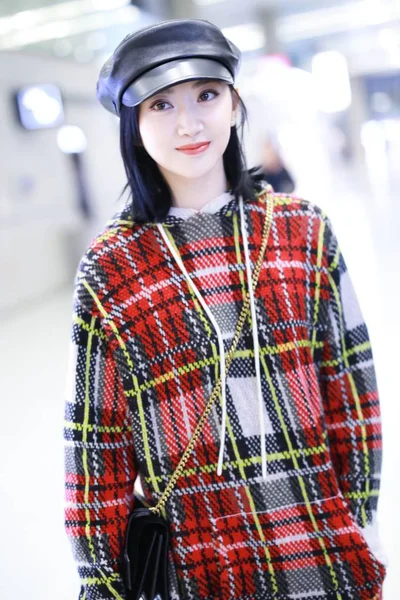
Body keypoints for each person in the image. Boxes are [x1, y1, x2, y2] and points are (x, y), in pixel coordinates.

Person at [63, 18, 387, 600]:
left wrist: (357, 514)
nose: (188, 123)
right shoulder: (112, 268)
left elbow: (350, 380)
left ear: (235, 105)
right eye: (161, 105)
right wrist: (101, 579)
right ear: (133, 126)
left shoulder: (301, 230)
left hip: (317, 534)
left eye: (206, 96)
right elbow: (95, 443)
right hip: (202, 556)